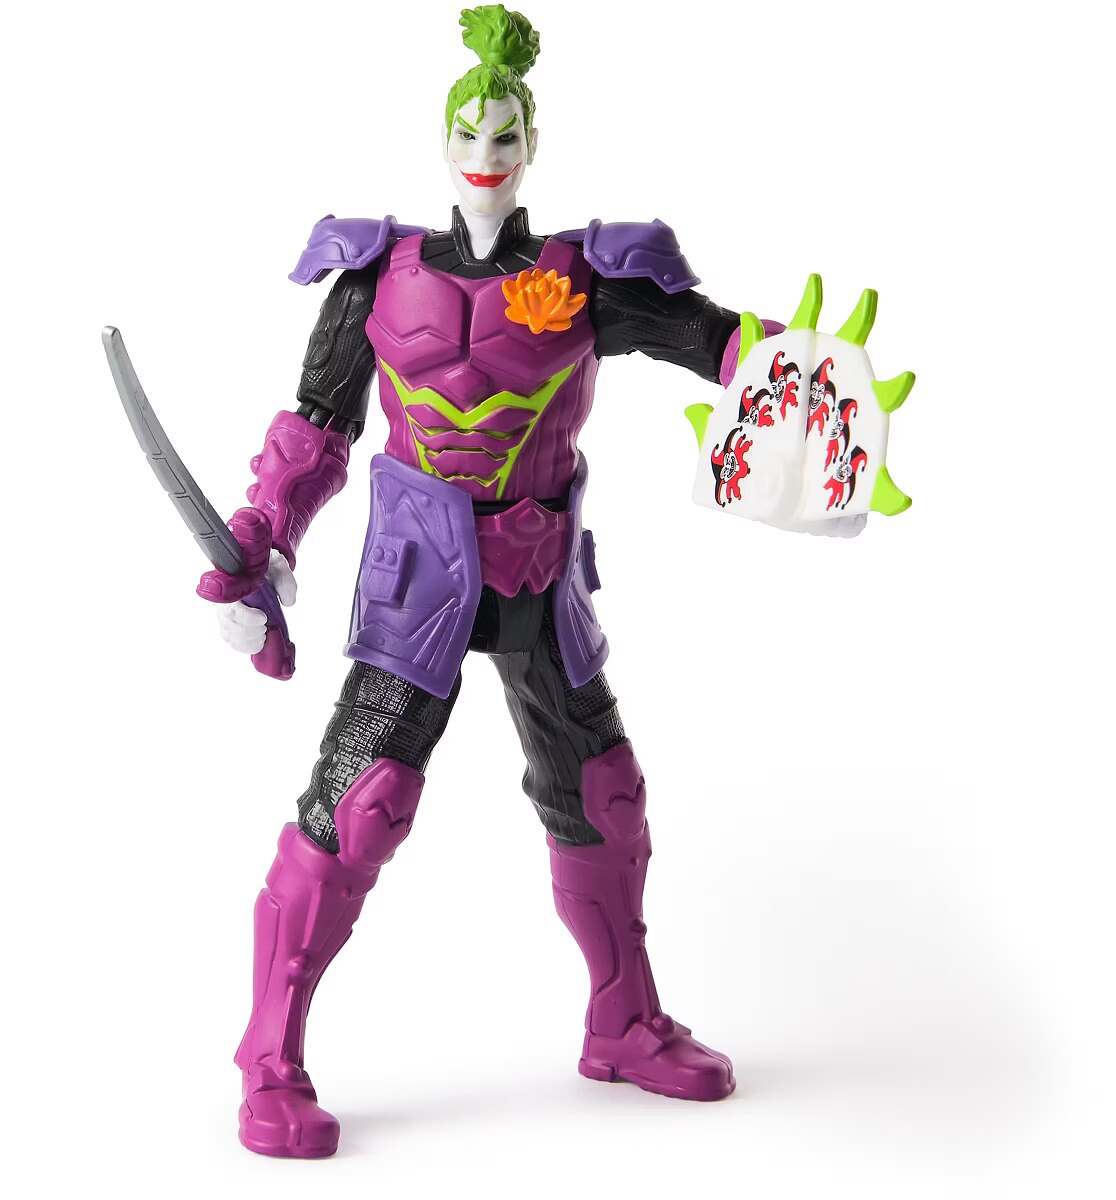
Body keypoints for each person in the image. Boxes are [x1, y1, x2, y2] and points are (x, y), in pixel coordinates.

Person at [205, 5, 755, 1158]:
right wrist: (266, 530)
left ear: (532, 143)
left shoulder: (586, 277)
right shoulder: (374, 274)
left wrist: (803, 376)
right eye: (470, 133)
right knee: (359, 802)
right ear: (443, 139)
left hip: (540, 579)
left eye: (506, 135)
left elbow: (717, 344)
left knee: (604, 794)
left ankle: (623, 1022)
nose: (487, 154)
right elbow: (317, 426)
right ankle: (269, 1058)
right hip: (419, 580)